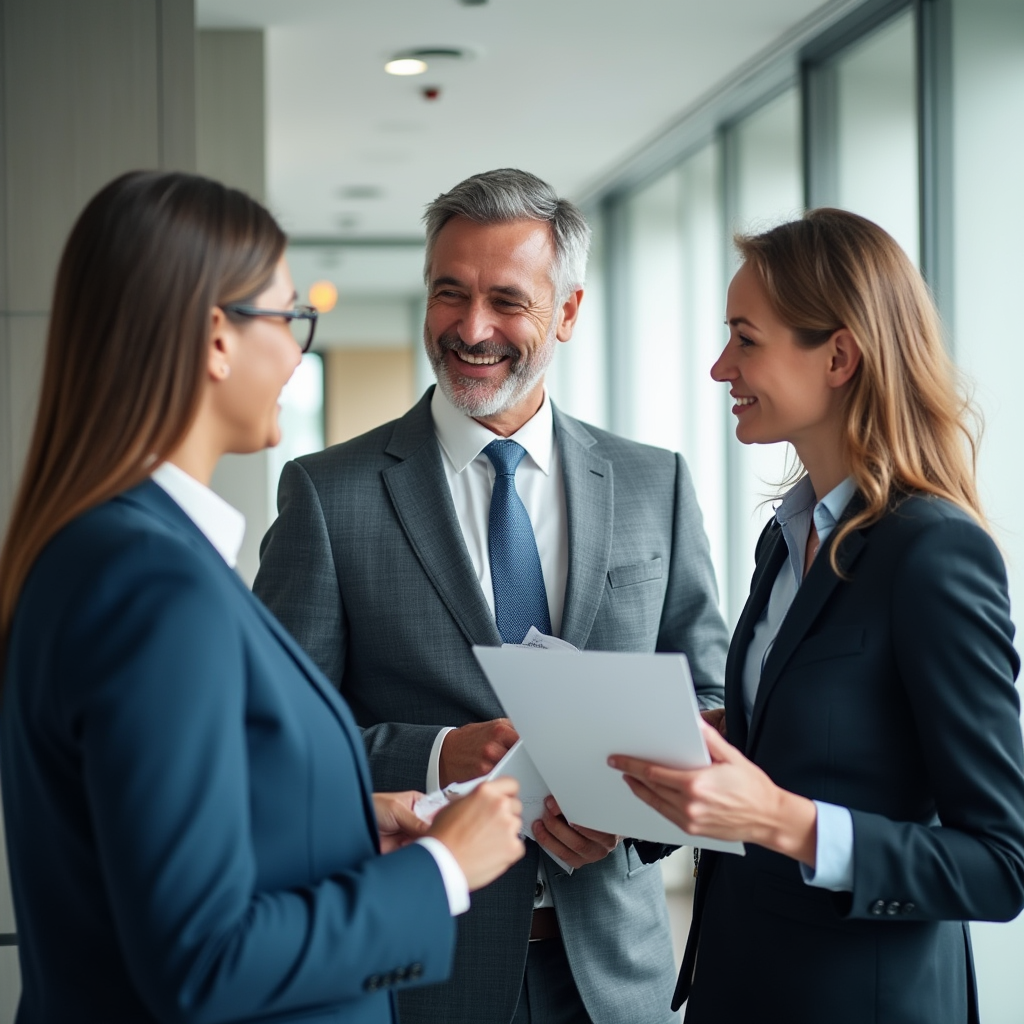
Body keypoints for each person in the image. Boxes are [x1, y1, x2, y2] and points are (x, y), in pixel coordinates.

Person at [0, 170, 526, 1024]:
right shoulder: (152, 586)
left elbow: (145, 841)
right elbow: (203, 960)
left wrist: (347, 824)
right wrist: (441, 872)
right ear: (216, 339)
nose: (298, 350)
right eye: (288, 319)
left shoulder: (105, 550)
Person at [253, 168, 729, 1024]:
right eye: (449, 294)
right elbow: (275, 743)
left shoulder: (652, 482)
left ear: (569, 313)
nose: (472, 329)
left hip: (614, 975)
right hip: (420, 972)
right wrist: (439, 755)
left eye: (508, 300)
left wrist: (635, 818)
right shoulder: (330, 493)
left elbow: (710, 700)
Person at [610, 208, 1024, 1024]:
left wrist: (784, 821)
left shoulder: (934, 553)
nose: (720, 367)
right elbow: (803, 749)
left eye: (746, 339)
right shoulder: (785, 538)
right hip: (740, 986)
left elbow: (1000, 865)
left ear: (838, 355)